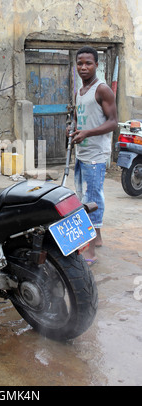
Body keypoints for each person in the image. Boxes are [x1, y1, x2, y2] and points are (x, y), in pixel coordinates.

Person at [71, 46, 118, 266]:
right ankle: (96, 237)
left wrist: (88, 132)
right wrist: (74, 130)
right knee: (83, 196)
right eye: (80, 63)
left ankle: (90, 250)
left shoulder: (102, 89)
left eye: (88, 63)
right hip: (82, 152)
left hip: (96, 155)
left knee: (93, 198)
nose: (83, 67)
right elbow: (79, 118)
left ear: (97, 65)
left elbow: (113, 122)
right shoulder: (80, 92)